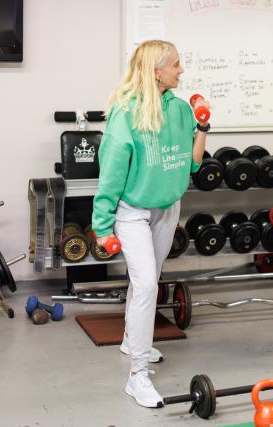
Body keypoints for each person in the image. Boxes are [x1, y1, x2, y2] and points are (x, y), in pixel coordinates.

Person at [92, 40, 209, 408]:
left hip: (167, 208)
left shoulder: (178, 109)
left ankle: (132, 340)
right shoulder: (125, 115)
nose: (181, 70)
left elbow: (192, 163)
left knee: (149, 280)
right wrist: (101, 226)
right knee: (145, 285)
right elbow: (109, 176)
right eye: (176, 64)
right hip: (132, 211)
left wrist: (203, 126)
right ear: (156, 72)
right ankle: (137, 374)